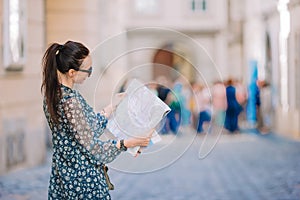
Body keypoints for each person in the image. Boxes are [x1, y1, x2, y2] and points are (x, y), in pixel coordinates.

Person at [41, 41, 152, 199]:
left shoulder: (55, 94)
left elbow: (88, 127)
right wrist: (127, 143)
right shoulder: (70, 101)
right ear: (72, 72)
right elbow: (93, 148)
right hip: (82, 180)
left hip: (65, 176)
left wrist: (113, 105)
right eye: (89, 70)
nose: (89, 74)